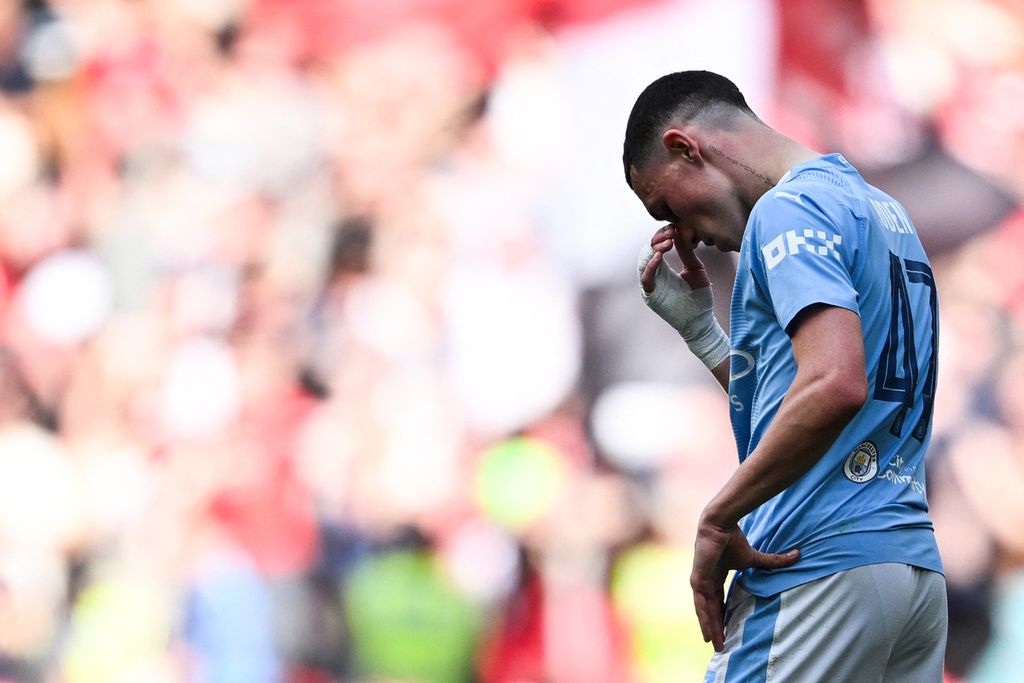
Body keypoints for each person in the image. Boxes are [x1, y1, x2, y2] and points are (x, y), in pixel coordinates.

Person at [622, 70, 947, 682]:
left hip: (815, 564)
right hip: (910, 574)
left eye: (667, 206)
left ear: (683, 147)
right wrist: (702, 334)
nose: (682, 233)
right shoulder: (880, 209)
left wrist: (718, 517)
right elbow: (807, 397)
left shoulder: (787, 209)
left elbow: (835, 385)